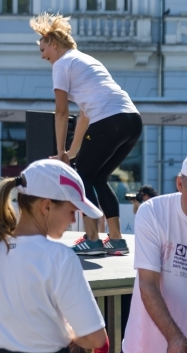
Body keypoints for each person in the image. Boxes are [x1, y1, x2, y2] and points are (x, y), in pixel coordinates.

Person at [0, 159, 109, 353]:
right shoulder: (60, 258)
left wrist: (5, 332)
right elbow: (97, 339)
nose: (73, 219)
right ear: (47, 207)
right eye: (71, 211)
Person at [31, 13, 142, 256]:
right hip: (132, 120)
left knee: (82, 177)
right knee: (98, 177)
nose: (42, 56)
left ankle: (92, 239)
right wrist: (71, 152)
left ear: (53, 43)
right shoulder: (85, 60)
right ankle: (115, 239)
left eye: (43, 49)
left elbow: (61, 112)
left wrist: (60, 153)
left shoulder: (61, 64)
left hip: (109, 121)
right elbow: (84, 115)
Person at [122, 159, 187, 353]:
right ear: (180, 184)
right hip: (144, 346)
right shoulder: (153, 212)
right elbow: (148, 283)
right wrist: (175, 337)